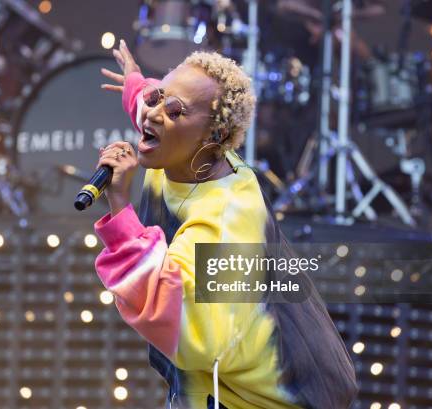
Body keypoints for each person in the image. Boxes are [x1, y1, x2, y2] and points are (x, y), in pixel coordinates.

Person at [93, 39, 357, 409]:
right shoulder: (183, 148)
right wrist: (137, 83)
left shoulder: (226, 220)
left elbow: (187, 331)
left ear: (213, 137)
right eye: (156, 99)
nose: (152, 114)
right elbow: (156, 101)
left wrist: (120, 207)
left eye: (173, 111)